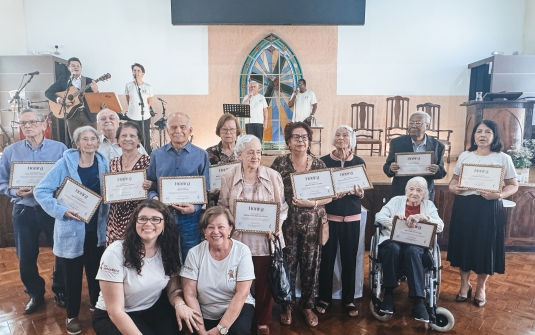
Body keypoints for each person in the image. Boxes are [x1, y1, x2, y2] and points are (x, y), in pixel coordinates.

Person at [34, 126, 110, 335]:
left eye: (93, 138)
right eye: (84, 139)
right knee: (72, 276)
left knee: (96, 273)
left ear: (98, 142)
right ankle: (72, 316)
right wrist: (61, 210)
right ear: (77, 143)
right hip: (71, 229)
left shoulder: (104, 163)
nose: (89, 142)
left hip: (96, 230)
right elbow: (40, 190)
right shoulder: (64, 164)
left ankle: (96, 307)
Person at [92, 200, 202, 335]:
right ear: (135, 223)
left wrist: (180, 304)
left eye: (156, 219)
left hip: (152, 307)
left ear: (164, 224)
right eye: (143, 219)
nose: (148, 223)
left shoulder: (169, 249)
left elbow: (173, 289)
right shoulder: (115, 252)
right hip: (113, 315)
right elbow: (115, 312)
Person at [219, 135, 288, 335]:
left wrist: (276, 226)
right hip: (238, 240)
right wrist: (230, 225)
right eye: (250, 152)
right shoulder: (228, 176)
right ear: (239, 154)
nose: (255, 156)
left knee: (265, 283)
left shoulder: (273, 176)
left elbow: (282, 208)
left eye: (258, 152)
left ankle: (262, 320)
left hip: (265, 241)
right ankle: (240, 317)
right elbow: (222, 206)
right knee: (239, 282)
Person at [0, 109, 67, 314]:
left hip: (51, 209)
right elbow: (2, 180)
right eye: (23, 123)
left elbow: (67, 179)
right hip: (23, 210)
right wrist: (14, 190)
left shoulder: (60, 149)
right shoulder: (11, 151)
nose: (27, 126)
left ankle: (60, 290)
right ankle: (35, 294)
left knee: (61, 252)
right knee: (26, 256)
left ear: (43, 125)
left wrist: (48, 190)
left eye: (31, 122)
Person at [447, 120, 518, 308]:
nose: (482, 135)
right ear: (474, 135)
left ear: (494, 136)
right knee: (464, 246)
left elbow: (513, 185)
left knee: (485, 248)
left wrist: (499, 194)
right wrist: (453, 188)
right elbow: (453, 181)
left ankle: (481, 287)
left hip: (489, 207)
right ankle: (464, 285)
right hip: (464, 205)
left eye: (488, 132)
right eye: (479, 131)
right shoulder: (465, 155)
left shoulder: (503, 158)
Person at [270, 122, 332, 327]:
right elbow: (271, 193)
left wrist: (312, 203)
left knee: (311, 266)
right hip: (287, 225)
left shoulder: (319, 165)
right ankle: (287, 305)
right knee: (287, 265)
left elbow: (328, 196)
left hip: (312, 225)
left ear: (309, 140)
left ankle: (307, 305)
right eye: (296, 137)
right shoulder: (279, 164)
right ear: (288, 141)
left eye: (304, 137)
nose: (300, 141)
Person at [374, 177, 444, 322]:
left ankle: (418, 301)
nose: (415, 193)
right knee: (392, 248)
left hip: (416, 244)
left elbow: (440, 225)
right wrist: (395, 220)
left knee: (412, 251)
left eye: (419, 190)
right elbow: (379, 216)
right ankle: (388, 293)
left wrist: (424, 218)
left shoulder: (429, 205)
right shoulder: (396, 201)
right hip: (393, 241)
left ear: (425, 193)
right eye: (411, 189)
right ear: (406, 191)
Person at [181, 206, 255, 335]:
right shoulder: (194, 253)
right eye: (210, 227)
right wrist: (201, 330)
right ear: (204, 230)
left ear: (230, 228)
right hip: (205, 310)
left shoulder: (242, 251)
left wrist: (221, 329)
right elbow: (190, 294)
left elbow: (242, 293)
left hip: (237, 306)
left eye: (221, 226)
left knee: (238, 332)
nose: (216, 231)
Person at [147, 112, 210, 259]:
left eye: (182, 127)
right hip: (163, 215)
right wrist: (154, 197)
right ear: (167, 130)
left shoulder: (201, 155)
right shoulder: (156, 155)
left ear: (190, 130)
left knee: (191, 257)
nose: (178, 131)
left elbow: (205, 189)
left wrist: (194, 207)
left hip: (190, 217)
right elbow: (150, 185)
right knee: (164, 257)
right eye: (173, 127)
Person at [316, 125, 364, 318]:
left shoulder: (359, 161)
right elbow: (319, 188)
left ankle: (348, 299)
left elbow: (361, 190)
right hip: (330, 218)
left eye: (345, 135)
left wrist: (360, 194)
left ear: (352, 139)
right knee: (326, 260)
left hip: (352, 217)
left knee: (349, 260)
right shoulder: (324, 161)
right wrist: (330, 194)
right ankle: (324, 297)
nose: (341, 138)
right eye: (337, 135)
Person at [383, 111, 447, 201]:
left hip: (424, 194)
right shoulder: (396, 143)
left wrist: (436, 170)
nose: (413, 125)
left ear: (427, 126)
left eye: (418, 123)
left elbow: (441, 172)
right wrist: (391, 168)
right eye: (411, 123)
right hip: (401, 193)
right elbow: (387, 168)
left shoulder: (437, 146)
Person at [106, 121, 152, 245]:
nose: (127, 139)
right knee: (115, 257)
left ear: (139, 141)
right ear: (118, 140)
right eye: (123, 136)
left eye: (132, 136)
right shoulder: (112, 163)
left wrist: (151, 185)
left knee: (137, 255)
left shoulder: (148, 162)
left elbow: (157, 187)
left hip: (139, 216)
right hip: (114, 218)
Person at [45, 57, 99, 146]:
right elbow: (48, 92)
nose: (76, 67)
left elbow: (96, 100)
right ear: (68, 68)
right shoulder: (63, 80)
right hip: (72, 114)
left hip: (88, 114)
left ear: (81, 68)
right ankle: (75, 159)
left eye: (78, 66)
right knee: (75, 141)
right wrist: (59, 100)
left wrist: (96, 91)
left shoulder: (89, 81)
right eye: (73, 66)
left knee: (92, 140)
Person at [206, 113, 240, 206]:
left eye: (232, 129)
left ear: (237, 131)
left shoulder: (244, 151)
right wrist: (209, 190)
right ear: (219, 132)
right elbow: (204, 179)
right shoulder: (209, 153)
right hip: (217, 202)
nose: (228, 133)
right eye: (224, 129)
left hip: (240, 202)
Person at [124, 63, 154, 153]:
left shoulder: (147, 87)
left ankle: (147, 158)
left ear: (143, 73)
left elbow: (149, 102)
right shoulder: (128, 85)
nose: (136, 72)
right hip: (132, 116)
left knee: (145, 139)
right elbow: (128, 100)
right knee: (132, 137)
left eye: (138, 70)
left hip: (144, 117)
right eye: (134, 70)